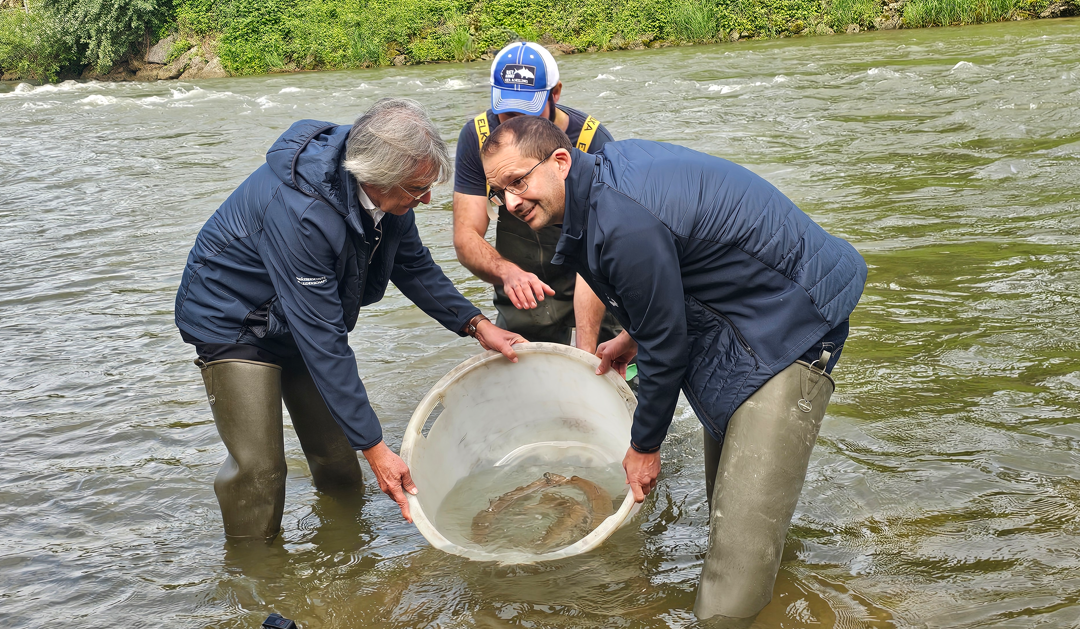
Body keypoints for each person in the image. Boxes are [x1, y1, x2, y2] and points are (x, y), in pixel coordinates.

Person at [480, 116, 867, 620]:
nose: (510, 202)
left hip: (794, 323)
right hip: (747, 316)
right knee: (731, 514)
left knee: (729, 581)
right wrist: (631, 338)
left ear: (559, 161)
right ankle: (786, 599)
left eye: (518, 181)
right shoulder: (602, 181)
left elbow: (669, 345)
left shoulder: (620, 219)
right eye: (497, 192)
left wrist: (643, 448)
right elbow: (682, 270)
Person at [174, 98, 524, 541]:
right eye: (419, 190)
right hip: (232, 318)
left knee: (339, 456)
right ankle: (255, 581)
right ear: (377, 180)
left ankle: (348, 556)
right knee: (261, 469)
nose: (427, 198)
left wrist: (477, 324)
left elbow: (413, 267)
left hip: (297, 316)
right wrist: (378, 448)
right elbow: (323, 340)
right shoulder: (303, 212)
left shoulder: (389, 192)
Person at [453, 41, 620, 353]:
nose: (517, 123)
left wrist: (585, 358)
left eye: (527, 110)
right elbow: (466, 234)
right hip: (526, 281)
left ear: (555, 94)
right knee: (520, 376)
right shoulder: (477, 137)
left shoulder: (591, 140)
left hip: (593, 273)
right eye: (507, 112)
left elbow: (601, 249)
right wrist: (507, 272)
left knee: (608, 368)